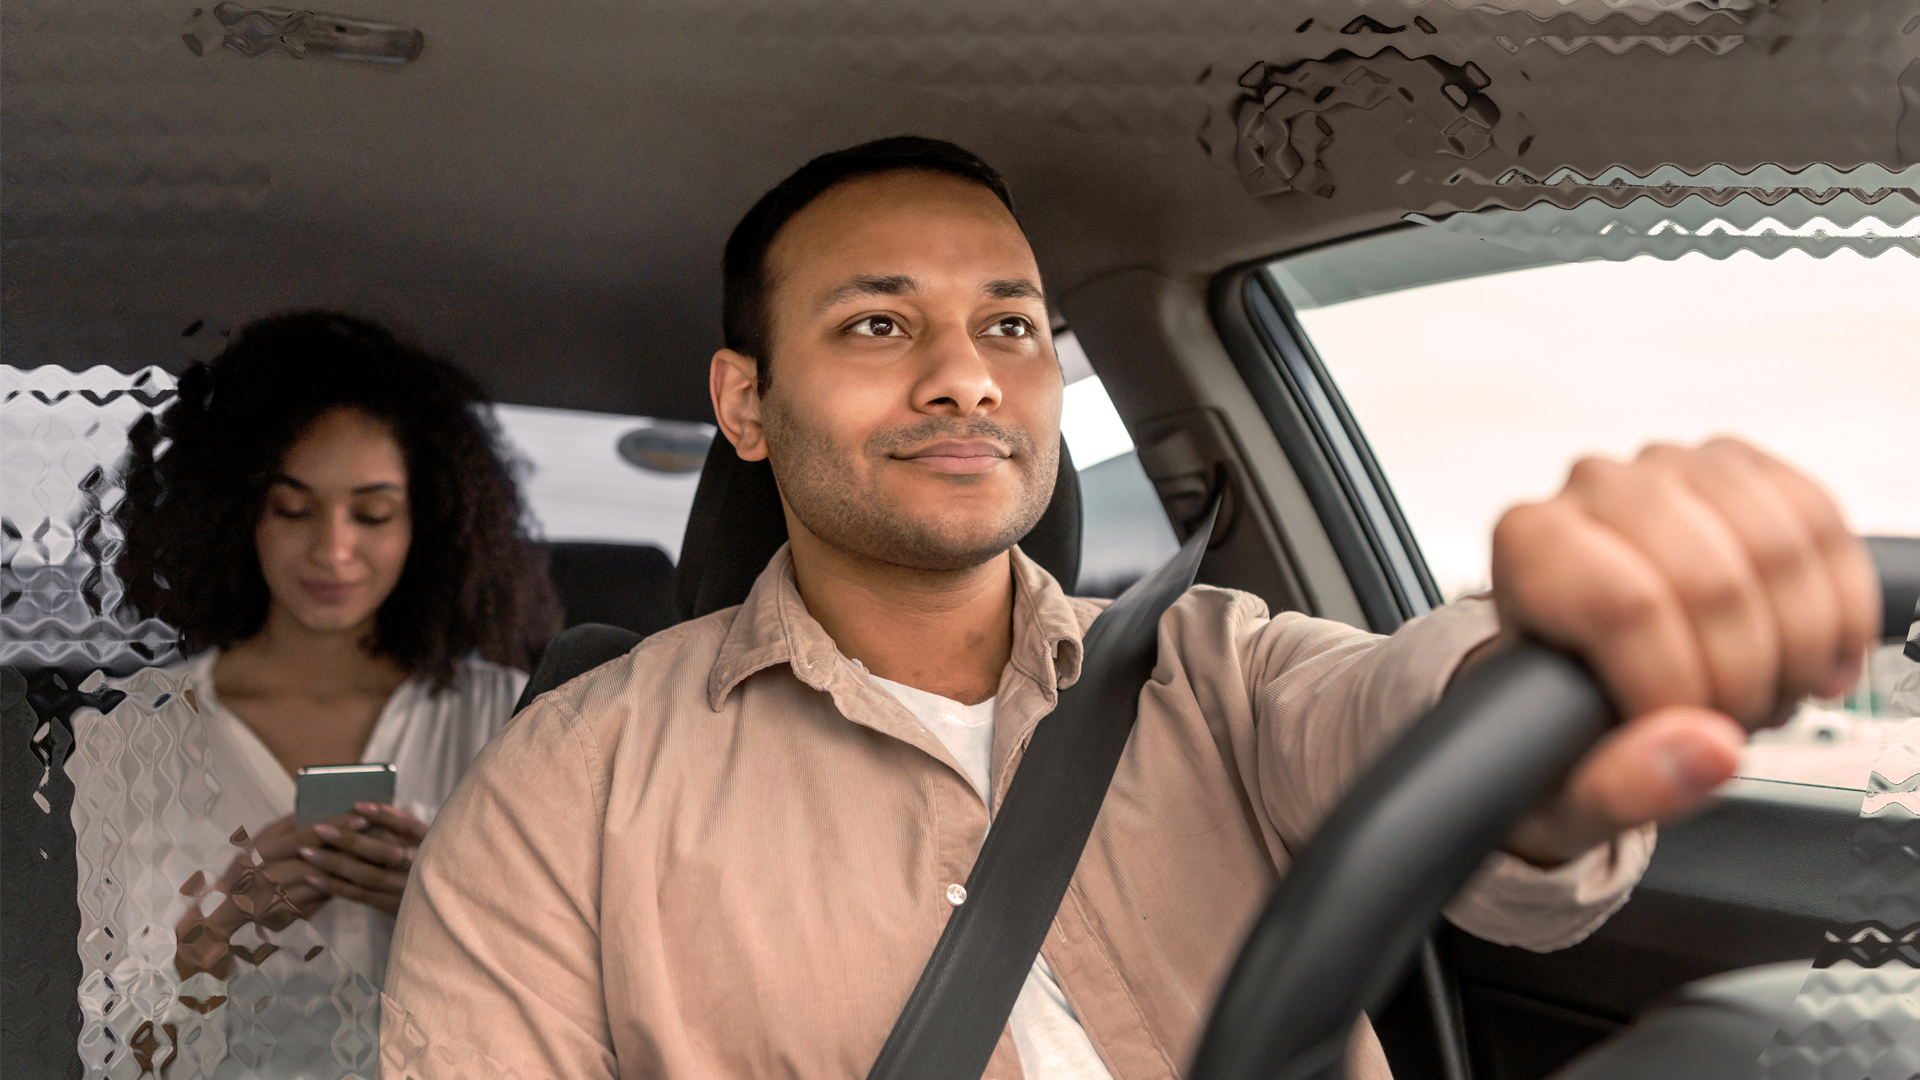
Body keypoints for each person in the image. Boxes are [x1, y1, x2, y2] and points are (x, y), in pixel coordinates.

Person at [378, 139, 1879, 1080]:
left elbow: (1397, 712)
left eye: (1012, 326)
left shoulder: (1216, 667)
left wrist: (1546, 689)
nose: (967, 377)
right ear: (746, 404)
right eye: (879, 324)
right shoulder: (562, 788)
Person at [67, 311, 560, 1078]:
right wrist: (206, 952)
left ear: (428, 520)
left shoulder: (517, 722)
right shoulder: (126, 741)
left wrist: (451, 913)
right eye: (293, 509)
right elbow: (95, 1060)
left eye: (373, 513)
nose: (333, 550)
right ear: (234, 513)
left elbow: (578, 1026)